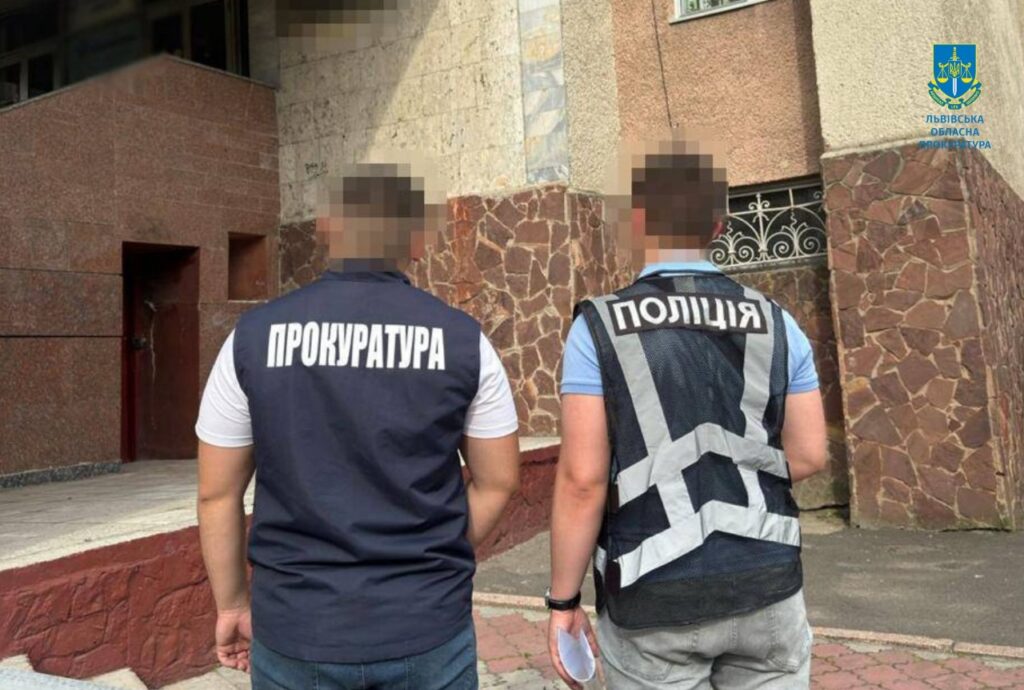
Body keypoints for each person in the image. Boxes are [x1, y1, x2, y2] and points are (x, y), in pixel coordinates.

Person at [194, 163, 521, 690]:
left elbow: (217, 494)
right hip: (426, 625)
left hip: (297, 627)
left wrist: (232, 605)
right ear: (416, 241)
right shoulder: (464, 341)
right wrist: (433, 559)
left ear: (327, 229)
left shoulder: (251, 338)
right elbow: (499, 480)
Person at [546, 134, 828, 690]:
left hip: (652, 596)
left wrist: (562, 601)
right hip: (766, 583)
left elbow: (582, 481)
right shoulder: (778, 321)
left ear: (637, 222)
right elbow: (810, 454)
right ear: (718, 227)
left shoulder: (598, 328)